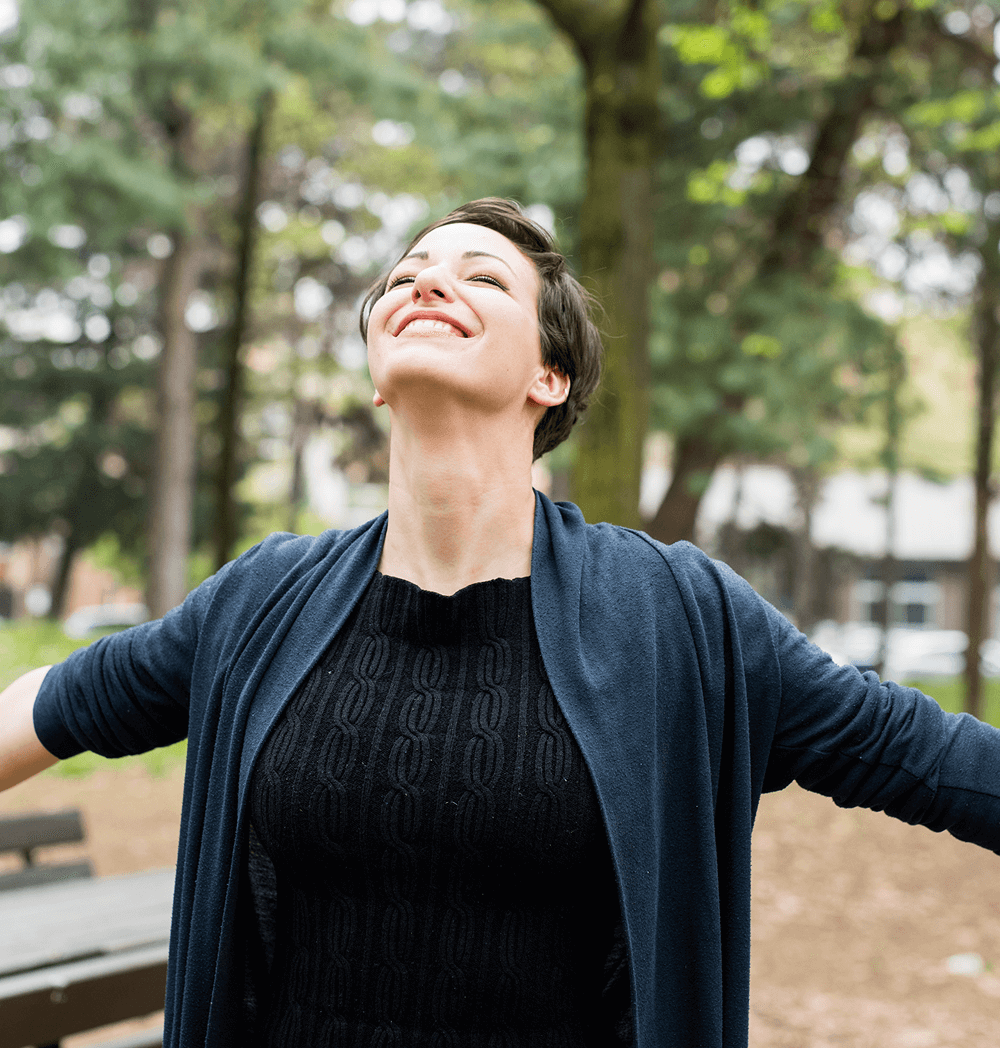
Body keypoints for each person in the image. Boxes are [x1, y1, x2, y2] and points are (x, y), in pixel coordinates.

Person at [2, 196, 1000, 1048]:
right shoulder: (263, 600)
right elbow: (52, 703)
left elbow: (920, 753)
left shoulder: (677, 616)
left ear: (549, 378)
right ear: (376, 366)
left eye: (481, 277)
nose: (428, 282)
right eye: (405, 275)